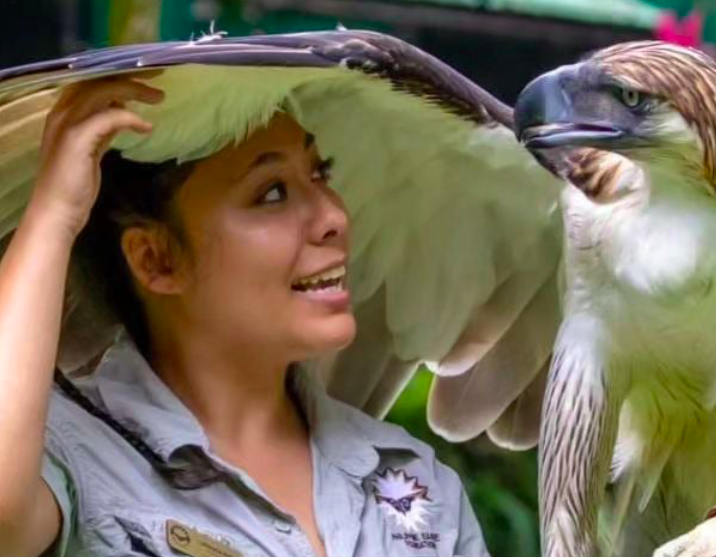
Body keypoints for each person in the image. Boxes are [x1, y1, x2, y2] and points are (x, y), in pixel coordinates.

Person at [0, 73, 490, 557]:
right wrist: (55, 213)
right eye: (272, 193)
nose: (334, 216)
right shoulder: (73, 455)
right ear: (156, 260)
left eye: (321, 173)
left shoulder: (415, 480)